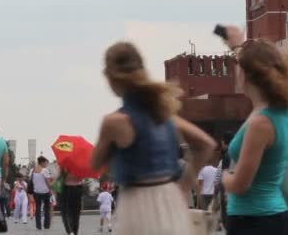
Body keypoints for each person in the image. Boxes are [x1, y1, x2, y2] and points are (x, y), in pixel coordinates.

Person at [91, 42, 216, 235]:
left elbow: (94, 163)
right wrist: (184, 185)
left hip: (137, 203)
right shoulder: (163, 115)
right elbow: (206, 144)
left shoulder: (115, 122)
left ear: (111, 77)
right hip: (171, 199)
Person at [220, 27, 288, 235]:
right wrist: (237, 45)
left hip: (252, 220)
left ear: (247, 74)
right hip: (271, 215)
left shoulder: (261, 123)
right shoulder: (284, 111)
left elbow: (241, 184)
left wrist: (224, 177)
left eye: (238, 66)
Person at [31, 156, 53, 230]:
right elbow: (48, 183)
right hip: (45, 191)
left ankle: (38, 225)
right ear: (42, 162)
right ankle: (46, 225)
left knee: (38, 208)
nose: (46, 164)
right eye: (45, 163)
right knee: (46, 209)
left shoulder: (33, 170)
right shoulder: (44, 170)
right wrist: (51, 189)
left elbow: (31, 180)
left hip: (36, 191)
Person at [59, 170, 82, 235]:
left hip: (68, 188)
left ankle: (70, 231)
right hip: (79, 187)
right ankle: (75, 232)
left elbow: (60, 177)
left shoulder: (65, 164)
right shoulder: (80, 165)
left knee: (67, 211)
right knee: (76, 213)